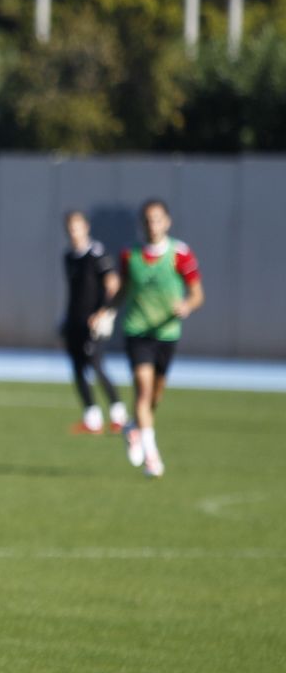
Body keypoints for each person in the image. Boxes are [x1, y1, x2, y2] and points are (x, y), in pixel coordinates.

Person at [107, 198, 203, 479]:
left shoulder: (180, 254)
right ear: (142, 224)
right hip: (137, 331)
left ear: (167, 222)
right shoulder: (129, 256)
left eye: (157, 219)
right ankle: (152, 457)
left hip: (167, 332)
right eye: (147, 220)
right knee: (144, 391)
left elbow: (198, 294)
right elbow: (123, 292)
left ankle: (133, 429)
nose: (152, 225)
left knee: (156, 395)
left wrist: (187, 305)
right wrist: (105, 312)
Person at [60, 210, 127, 434]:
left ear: (86, 227)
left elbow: (113, 284)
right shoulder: (69, 257)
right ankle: (92, 418)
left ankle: (118, 414)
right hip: (75, 320)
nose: (74, 232)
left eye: (77, 227)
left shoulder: (97, 254)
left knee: (96, 364)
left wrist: (102, 312)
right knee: (77, 368)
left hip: (93, 322)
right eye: (70, 228)